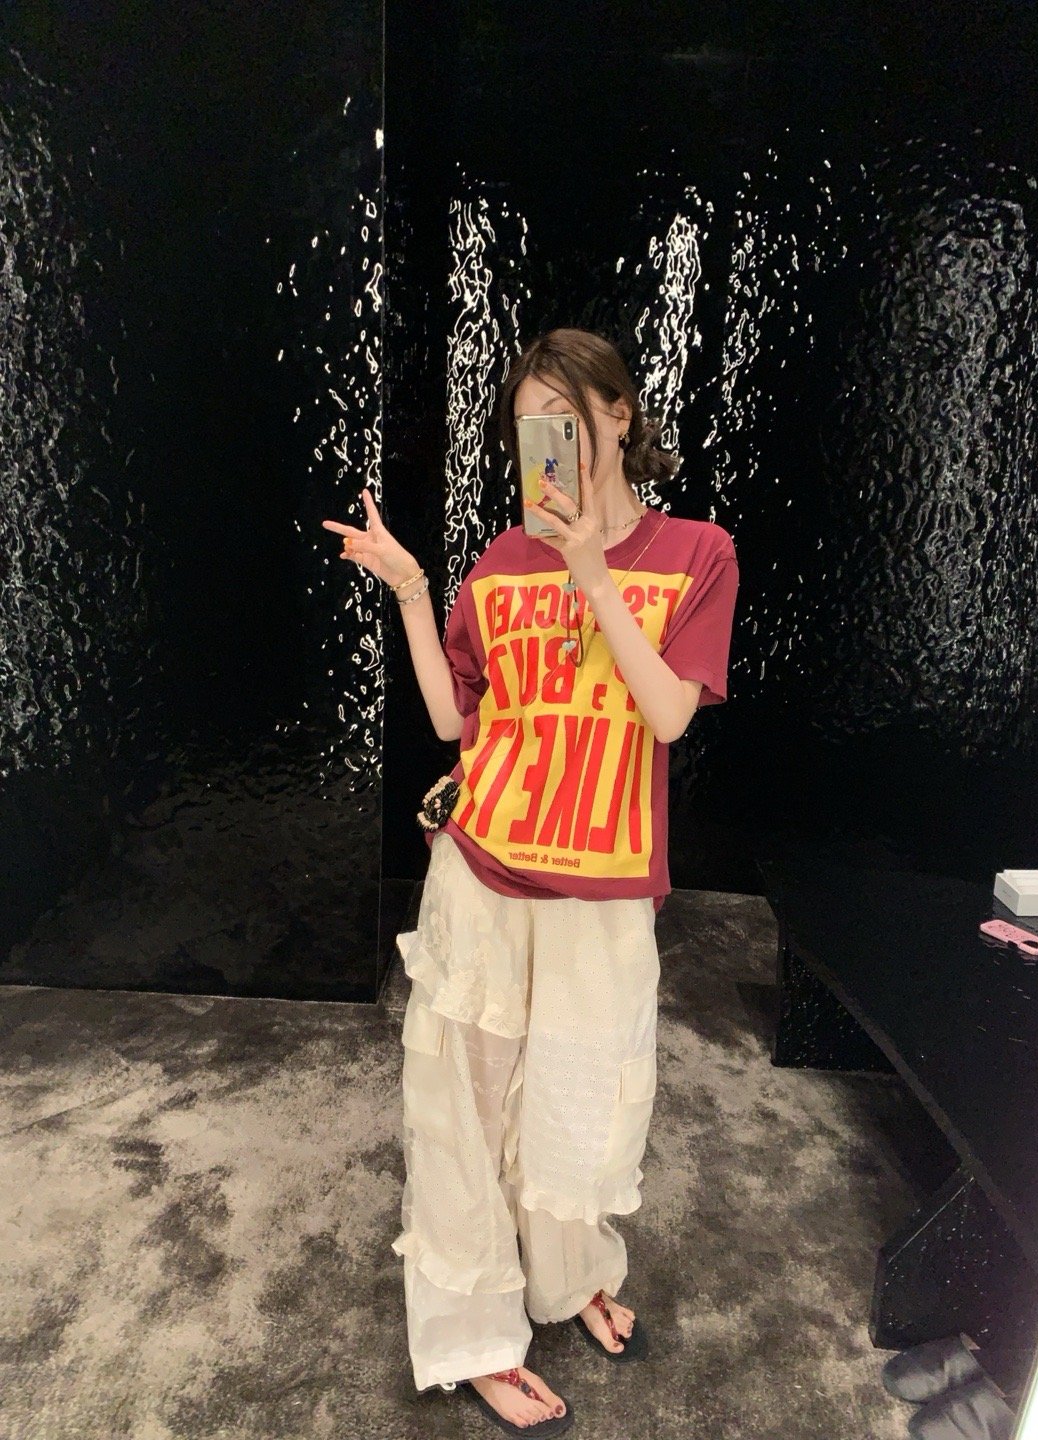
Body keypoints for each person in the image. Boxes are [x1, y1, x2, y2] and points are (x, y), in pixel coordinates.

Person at [322, 327, 739, 1434]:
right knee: (460, 1107)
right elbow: (455, 721)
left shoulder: (697, 553)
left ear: (619, 415)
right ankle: (473, 1338)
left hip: (604, 895)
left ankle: (568, 1277)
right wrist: (415, 590)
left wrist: (594, 571)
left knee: (580, 1105)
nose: (550, 442)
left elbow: (667, 715)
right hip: (482, 875)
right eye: (529, 425)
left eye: (569, 417)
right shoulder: (502, 562)